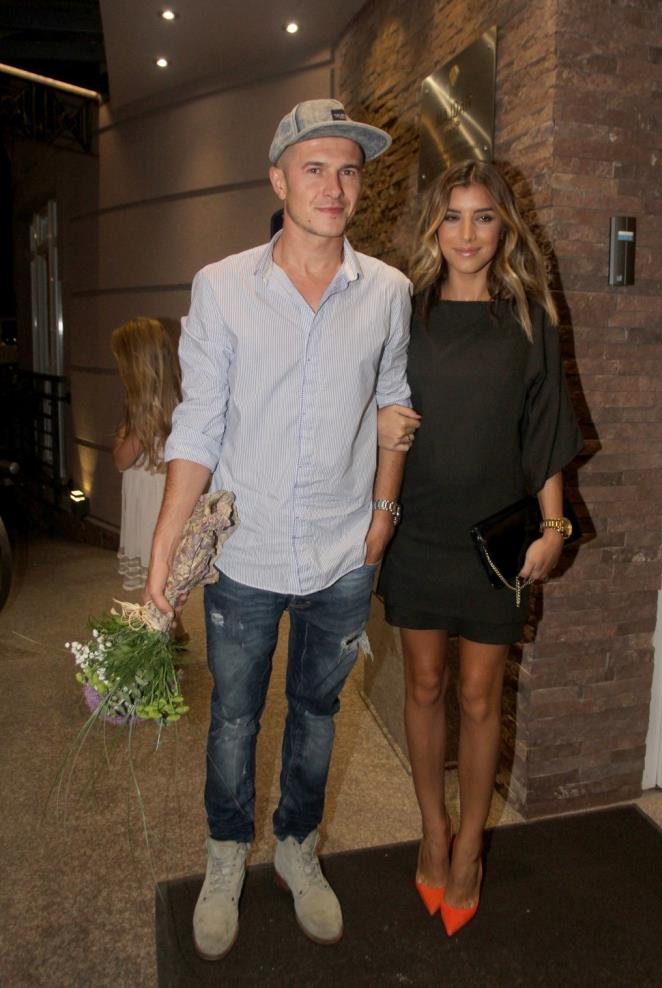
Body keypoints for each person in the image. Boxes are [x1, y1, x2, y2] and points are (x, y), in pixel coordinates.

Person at [144, 99, 412, 958]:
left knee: (317, 712)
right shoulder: (223, 287)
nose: (335, 186)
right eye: (314, 168)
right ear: (278, 180)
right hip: (247, 550)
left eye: (349, 170)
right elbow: (198, 424)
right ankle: (227, 853)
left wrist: (382, 516)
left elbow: (395, 403)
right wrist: (163, 550)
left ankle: (297, 845)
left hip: (344, 550)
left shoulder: (388, 292)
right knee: (233, 718)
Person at [377, 160, 582, 936]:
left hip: (496, 537)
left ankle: (469, 848)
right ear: (435, 226)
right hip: (420, 530)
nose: (467, 234)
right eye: (453, 216)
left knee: (478, 694)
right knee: (424, 683)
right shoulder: (404, 312)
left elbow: (546, 427)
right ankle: (432, 830)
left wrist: (554, 527)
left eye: (484, 217)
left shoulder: (528, 316)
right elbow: (365, 400)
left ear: (505, 228)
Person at [111, 317, 182, 599]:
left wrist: (138, 428)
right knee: (159, 586)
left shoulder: (154, 411)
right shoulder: (149, 406)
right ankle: (163, 621)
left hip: (153, 503)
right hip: (147, 497)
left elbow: (122, 460)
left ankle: (160, 622)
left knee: (157, 582)